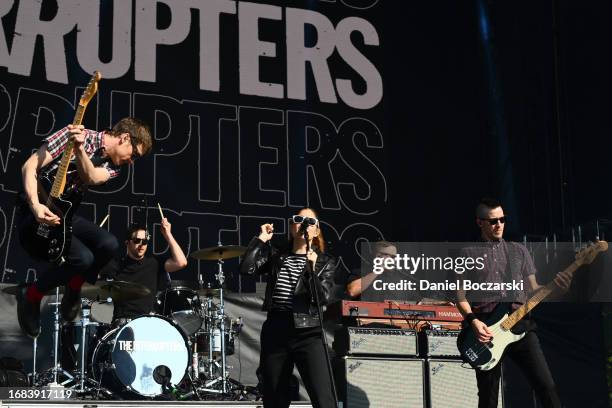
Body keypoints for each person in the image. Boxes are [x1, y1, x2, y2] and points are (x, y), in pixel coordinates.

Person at [16, 118, 153, 337]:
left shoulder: (112, 167)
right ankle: (30, 295)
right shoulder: (72, 134)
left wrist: (79, 150)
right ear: (124, 138)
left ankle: (74, 286)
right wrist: (35, 206)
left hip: (63, 216)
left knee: (109, 243)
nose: (132, 161)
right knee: (83, 259)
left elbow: (91, 176)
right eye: (134, 153)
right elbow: (29, 166)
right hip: (34, 215)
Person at [456, 198, 571, 408]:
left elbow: (534, 289)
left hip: (520, 325)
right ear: (479, 223)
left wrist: (558, 288)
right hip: (486, 330)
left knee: (546, 386)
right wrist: (473, 321)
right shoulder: (467, 253)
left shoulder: (518, 251)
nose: (499, 224)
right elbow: (460, 296)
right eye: (492, 221)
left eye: (502, 219)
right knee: (488, 397)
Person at [240, 208, 338, 408]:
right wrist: (260, 240)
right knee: (275, 397)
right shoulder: (277, 254)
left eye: (310, 221)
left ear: (316, 231)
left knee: (323, 397)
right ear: (292, 227)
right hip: (277, 329)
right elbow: (246, 268)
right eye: (298, 219)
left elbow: (322, 298)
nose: (304, 223)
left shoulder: (325, 262)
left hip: (309, 332)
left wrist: (311, 269)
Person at [99, 220, 188, 324]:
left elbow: (181, 262)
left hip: (149, 322)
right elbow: (89, 278)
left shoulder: (154, 262)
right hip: (122, 323)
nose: (141, 245)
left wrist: (168, 234)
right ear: (127, 243)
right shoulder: (116, 264)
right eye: (137, 240)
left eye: (144, 241)